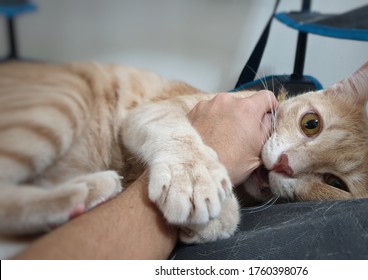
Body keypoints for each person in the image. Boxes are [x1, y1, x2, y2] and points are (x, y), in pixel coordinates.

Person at [14, 90, 278, 259]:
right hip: (97, 102)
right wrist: (191, 156)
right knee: (65, 107)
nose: (290, 165)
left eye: (323, 180)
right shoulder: (243, 105)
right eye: (310, 125)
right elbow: (144, 118)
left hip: (73, 177)